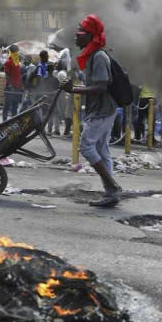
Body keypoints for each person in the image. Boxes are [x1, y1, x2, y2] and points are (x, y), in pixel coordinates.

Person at [60, 14, 121, 208]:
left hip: (103, 110)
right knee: (102, 151)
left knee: (86, 146)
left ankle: (112, 186)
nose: (76, 37)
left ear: (90, 36)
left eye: (79, 34)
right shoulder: (93, 55)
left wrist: (74, 89)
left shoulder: (99, 56)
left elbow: (101, 87)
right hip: (101, 109)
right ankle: (111, 193)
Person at [2, 44, 23, 121]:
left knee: (15, 106)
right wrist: (10, 85)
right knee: (7, 105)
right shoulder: (8, 62)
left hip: (17, 88)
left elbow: (18, 75)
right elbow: (7, 74)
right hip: (10, 87)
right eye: (16, 51)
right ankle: (4, 121)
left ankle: (13, 121)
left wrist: (20, 86)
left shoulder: (16, 61)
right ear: (12, 52)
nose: (17, 53)